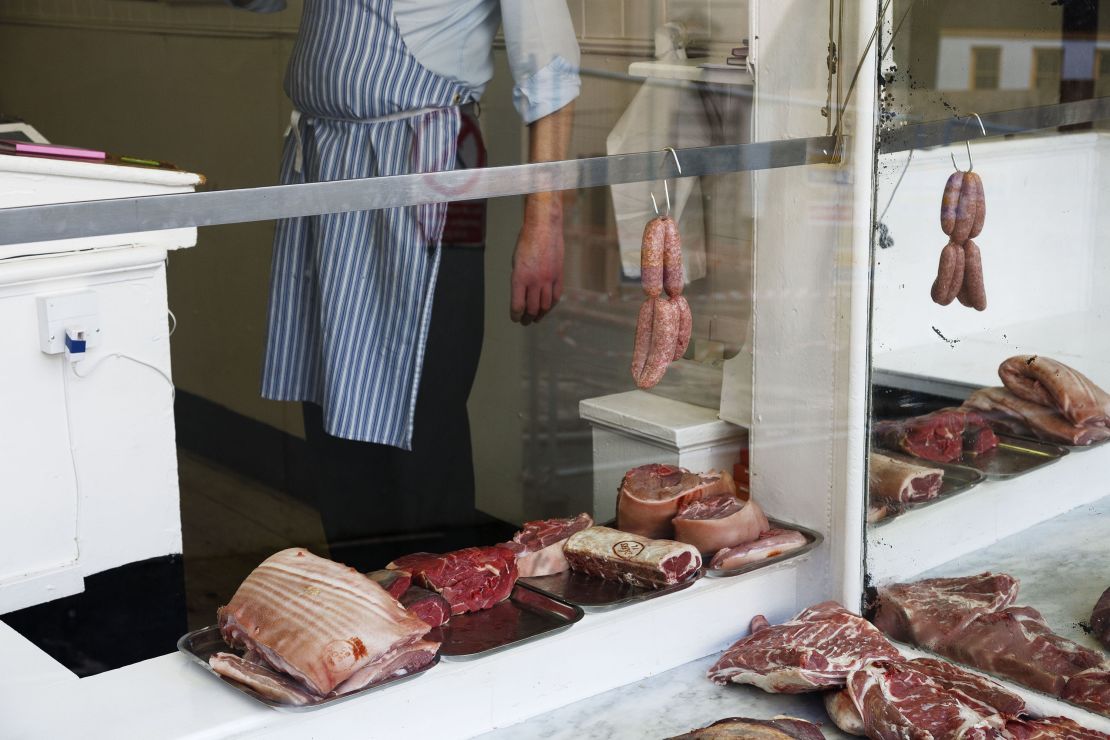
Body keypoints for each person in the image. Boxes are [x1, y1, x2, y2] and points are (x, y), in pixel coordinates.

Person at [230, 0, 580, 562]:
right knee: (330, 400)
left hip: (429, 159)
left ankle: (438, 608)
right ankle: (361, 601)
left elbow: (550, 72)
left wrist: (545, 223)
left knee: (422, 409)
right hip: (324, 158)